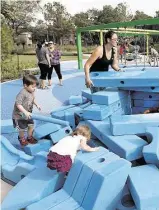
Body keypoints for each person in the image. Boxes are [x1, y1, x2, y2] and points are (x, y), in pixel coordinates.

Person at [12, 75, 41, 146]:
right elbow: (18, 104)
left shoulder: (31, 91)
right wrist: (25, 112)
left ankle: (29, 137)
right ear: (25, 85)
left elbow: (32, 99)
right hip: (19, 116)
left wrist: (37, 105)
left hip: (28, 114)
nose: (35, 88)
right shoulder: (22, 93)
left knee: (31, 125)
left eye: (35, 87)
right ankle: (21, 138)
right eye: (33, 87)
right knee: (22, 129)